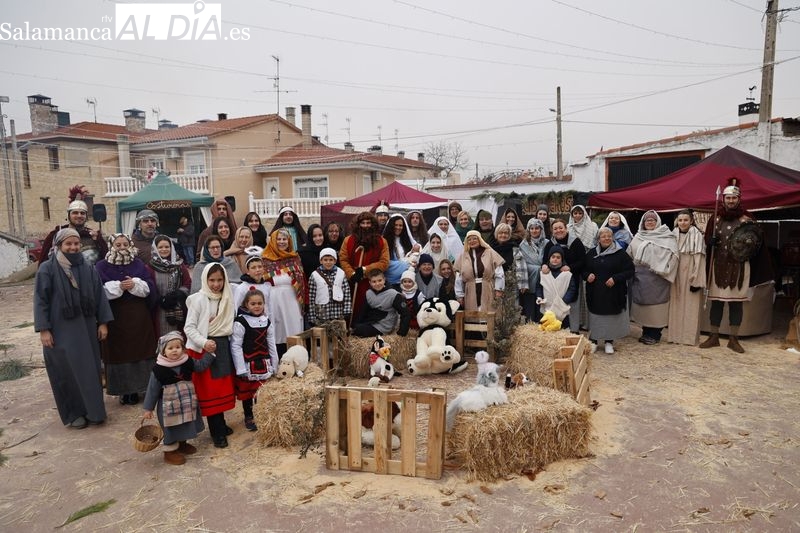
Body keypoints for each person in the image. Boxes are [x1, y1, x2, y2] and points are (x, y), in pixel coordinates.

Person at [34, 228, 113, 429]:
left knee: (90, 370)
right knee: (65, 371)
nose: (73, 247)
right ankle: (75, 413)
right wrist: (44, 329)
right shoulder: (47, 269)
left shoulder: (87, 267)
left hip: (86, 329)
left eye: (76, 243)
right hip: (60, 330)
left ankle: (94, 412)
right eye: (68, 244)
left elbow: (99, 296)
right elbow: (41, 301)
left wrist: (103, 322)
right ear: (59, 246)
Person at [700, 178, 771, 353]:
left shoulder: (747, 218)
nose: (730, 201)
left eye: (734, 198)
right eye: (727, 198)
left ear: (739, 199)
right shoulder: (714, 218)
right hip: (718, 265)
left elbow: (756, 243)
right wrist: (711, 241)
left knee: (735, 304)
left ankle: (733, 339)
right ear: (723, 199)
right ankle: (714, 336)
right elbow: (707, 240)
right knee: (716, 303)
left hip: (739, 266)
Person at [95, 233, 158, 405]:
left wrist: (136, 285)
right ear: (111, 246)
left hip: (138, 317)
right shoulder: (101, 266)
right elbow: (97, 291)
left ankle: (144, 387)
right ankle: (125, 392)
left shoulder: (138, 264)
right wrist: (118, 287)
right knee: (120, 354)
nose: (122, 248)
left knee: (142, 351)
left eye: (125, 244)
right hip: (115, 319)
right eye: (118, 245)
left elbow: (150, 286)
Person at [142, 332, 215, 465]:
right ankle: (170, 451)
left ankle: (182, 444)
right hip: (168, 406)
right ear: (163, 351)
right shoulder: (158, 369)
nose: (174, 350)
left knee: (186, 422)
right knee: (171, 427)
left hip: (186, 401)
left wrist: (209, 354)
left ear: (182, 348)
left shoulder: (187, 361)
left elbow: (200, 366)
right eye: (170, 348)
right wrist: (148, 408)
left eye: (177, 347)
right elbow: (152, 389)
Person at [184, 263, 237, 448]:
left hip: (221, 346)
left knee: (222, 387)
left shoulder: (227, 297)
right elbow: (189, 327)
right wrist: (204, 341)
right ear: (205, 280)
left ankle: (220, 424)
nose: (216, 284)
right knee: (211, 391)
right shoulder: (198, 300)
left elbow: (230, 322)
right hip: (204, 349)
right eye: (212, 280)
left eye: (220, 280)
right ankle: (217, 433)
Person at [627, 210, 679, 345]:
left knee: (657, 308)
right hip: (641, 278)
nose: (650, 222)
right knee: (644, 308)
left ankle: (655, 334)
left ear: (658, 222)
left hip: (659, 278)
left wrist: (664, 269)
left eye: (653, 220)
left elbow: (674, 255)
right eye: (647, 220)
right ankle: (645, 332)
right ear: (643, 223)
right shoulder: (638, 237)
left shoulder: (666, 236)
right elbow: (630, 255)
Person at [231, 288, 278, 432]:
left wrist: (275, 365)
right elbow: (236, 345)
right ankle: (249, 416)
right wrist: (240, 368)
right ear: (246, 304)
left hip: (263, 362)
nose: (257, 306)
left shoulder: (266, 321)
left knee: (260, 391)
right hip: (247, 363)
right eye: (253, 304)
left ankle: (260, 414)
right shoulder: (241, 322)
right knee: (247, 393)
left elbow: (271, 344)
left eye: (260, 303)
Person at [584, 227, 635, 354]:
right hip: (595, 291)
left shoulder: (620, 253)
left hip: (614, 292)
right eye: (603, 236)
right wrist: (587, 275)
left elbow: (630, 270)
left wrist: (616, 278)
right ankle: (593, 341)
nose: (606, 238)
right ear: (598, 239)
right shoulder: (591, 253)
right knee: (596, 317)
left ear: (612, 238)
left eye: (609, 236)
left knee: (610, 317)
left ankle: (609, 342)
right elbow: (583, 269)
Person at [261, 228, 306, 357]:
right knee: (277, 328)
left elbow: (302, 280)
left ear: (289, 241)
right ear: (273, 241)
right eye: (278, 239)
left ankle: (296, 357)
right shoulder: (265, 259)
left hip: (292, 298)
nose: (282, 242)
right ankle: (278, 358)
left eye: (284, 239)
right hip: (274, 298)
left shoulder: (295, 257)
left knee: (294, 326)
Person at [340, 211, 390, 322]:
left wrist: (364, 270)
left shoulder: (382, 242)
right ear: (358, 225)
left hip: (373, 283)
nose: (366, 226)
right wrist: (352, 274)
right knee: (354, 309)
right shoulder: (348, 241)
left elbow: (384, 262)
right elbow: (343, 260)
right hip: (353, 283)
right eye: (363, 223)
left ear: (373, 225)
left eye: (368, 223)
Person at [667, 209, 706, 346]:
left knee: (691, 305)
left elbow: (699, 259)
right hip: (676, 272)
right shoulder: (672, 235)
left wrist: (697, 280)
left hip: (691, 271)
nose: (683, 223)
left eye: (685, 220)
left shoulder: (697, 236)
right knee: (676, 304)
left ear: (691, 221)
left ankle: (689, 338)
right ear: (677, 221)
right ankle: (675, 336)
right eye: (680, 220)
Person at [543, 219, 587, 334]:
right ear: (552, 231)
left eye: (561, 228)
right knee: (556, 304)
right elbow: (545, 260)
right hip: (555, 281)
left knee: (572, 304)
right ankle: (556, 329)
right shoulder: (550, 244)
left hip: (573, 278)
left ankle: (574, 330)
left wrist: (570, 267)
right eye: (555, 229)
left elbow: (583, 260)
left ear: (566, 228)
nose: (558, 230)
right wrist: (544, 266)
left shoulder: (576, 242)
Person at [40, 199, 108, 267]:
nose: (79, 216)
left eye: (82, 213)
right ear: (69, 215)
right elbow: (43, 262)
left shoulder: (94, 236)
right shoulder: (56, 235)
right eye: (75, 213)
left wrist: (99, 241)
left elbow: (105, 261)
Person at [147, 235, 191, 337]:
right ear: (155, 249)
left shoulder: (179, 265)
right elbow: (149, 287)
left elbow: (188, 283)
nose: (164, 249)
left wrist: (177, 294)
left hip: (177, 307)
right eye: (160, 247)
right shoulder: (150, 267)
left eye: (167, 247)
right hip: (158, 309)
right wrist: (160, 299)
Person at [454, 230, 505, 312]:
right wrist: (459, 295)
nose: (472, 241)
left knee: (489, 313)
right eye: (469, 239)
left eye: (474, 238)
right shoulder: (462, 256)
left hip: (488, 287)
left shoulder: (490, 253)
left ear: (480, 240)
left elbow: (499, 273)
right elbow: (458, 278)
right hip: (470, 291)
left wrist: (499, 289)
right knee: (473, 315)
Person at [351, 269, 411, 337]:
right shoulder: (369, 293)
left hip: (384, 326)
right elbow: (363, 311)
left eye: (380, 280)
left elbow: (406, 313)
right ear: (370, 282)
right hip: (372, 321)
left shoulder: (393, 294)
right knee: (355, 327)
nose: (377, 284)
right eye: (374, 281)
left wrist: (401, 334)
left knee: (359, 330)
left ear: (384, 280)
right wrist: (354, 325)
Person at [536, 245, 579, 328]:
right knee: (546, 330)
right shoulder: (543, 273)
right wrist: (539, 297)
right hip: (546, 307)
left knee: (562, 330)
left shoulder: (567, 274)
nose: (555, 259)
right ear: (549, 258)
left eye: (558, 257)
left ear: (562, 259)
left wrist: (564, 301)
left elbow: (572, 289)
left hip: (561, 308)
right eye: (553, 257)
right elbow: (539, 287)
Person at [308, 248, 352, 326]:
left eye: (331, 260)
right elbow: (311, 297)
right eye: (325, 260)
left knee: (337, 335)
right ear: (321, 261)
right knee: (324, 335)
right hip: (322, 313)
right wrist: (312, 316)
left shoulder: (341, 273)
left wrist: (347, 309)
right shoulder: (314, 275)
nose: (328, 262)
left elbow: (347, 292)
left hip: (337, 313)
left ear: (335, 261)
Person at [518, 218, 547, 322]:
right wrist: (538, 268)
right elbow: (522, 264)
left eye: (537, 228)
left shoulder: (547, 243)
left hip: (545, 280)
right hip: (529, 281)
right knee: (530, 312)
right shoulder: (523, 245)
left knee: (542, 311)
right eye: (532, 228)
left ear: (541, 229)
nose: (534, 231)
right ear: (528, 230)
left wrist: (545, 267)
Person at [383, 213, 420, 286]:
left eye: (400, 225)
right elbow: (385, 263)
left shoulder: (406, 241)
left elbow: (414, 256)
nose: (398, 227)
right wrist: (407, 264)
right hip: (391, 282)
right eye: (396, 225)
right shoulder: (384, 241)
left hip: (407, 281)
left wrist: (414, 262)